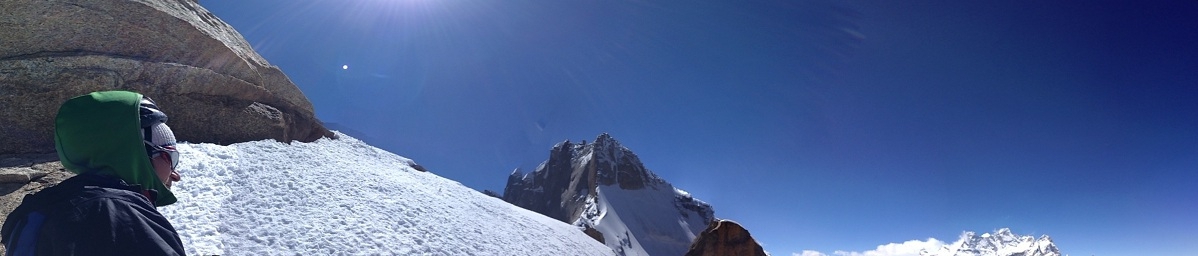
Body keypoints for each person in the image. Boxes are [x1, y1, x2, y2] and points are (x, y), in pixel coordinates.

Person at [1, 91, 185, 255]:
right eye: (170, 157)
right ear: (132, 153)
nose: (176, 175)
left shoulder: (44, 209)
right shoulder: (115, 216)